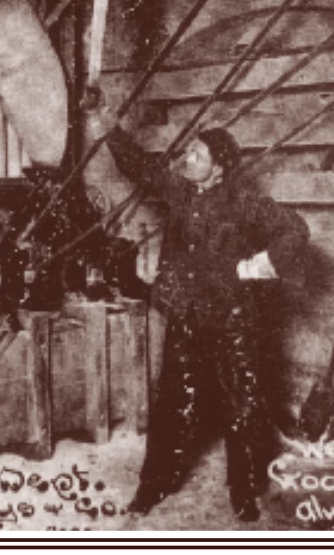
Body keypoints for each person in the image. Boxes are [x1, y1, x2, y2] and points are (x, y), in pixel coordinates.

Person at [89, 110, 309, 523]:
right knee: (174, 402)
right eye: (188, 151)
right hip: (188, 316)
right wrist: (104, 125)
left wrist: (253, 268)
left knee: (240, 403)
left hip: (233, 319)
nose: (185, 159)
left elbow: (296, 231)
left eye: (196, 154)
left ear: (219, 168)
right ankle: (153, 485)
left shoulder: (245, 202)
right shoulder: (181, 193)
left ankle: (243, 490)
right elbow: (140, 167)